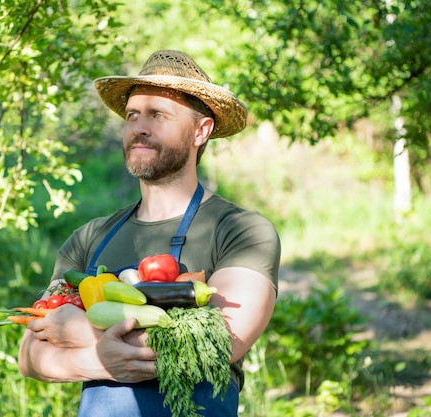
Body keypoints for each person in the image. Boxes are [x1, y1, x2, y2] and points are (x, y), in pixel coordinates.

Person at [18, 49, 280, 417]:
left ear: (200, 131)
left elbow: (217, 343)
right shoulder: (89, 237)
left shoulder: (241, 231)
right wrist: (98, 360)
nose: (140, 127)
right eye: (132, 115)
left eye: (158, 115)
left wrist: (81, 332)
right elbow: (29, 354)